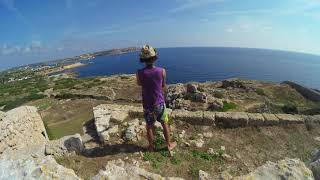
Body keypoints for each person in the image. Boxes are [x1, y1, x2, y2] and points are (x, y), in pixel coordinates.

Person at [136, 44, 177, 153]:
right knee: (164, 124)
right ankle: (168, 145)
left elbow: (139, 83)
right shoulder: (162, 71)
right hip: (159, 103)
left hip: (147, 105)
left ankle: (150, 147)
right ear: (154, 58)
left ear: (143, 59)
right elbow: (163, 85)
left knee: (149, 126)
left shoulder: (139, 73)